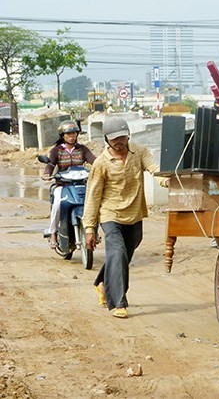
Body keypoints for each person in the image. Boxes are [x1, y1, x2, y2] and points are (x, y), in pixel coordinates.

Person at [82, 117, 167, 319]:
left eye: (122, 137)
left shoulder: (139, 152)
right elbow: (93, 196)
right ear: (106, 140)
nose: (119, 142)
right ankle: (118, 302)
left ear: (128, 135)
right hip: (110, 214)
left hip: (134, 213)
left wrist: (164, 179)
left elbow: (153, 168)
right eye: (114, 139)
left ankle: (102, 283)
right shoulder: (101, 163)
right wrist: (89, 228)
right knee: (118, 253)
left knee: (123, 254)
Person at [42, 120, 96, 250]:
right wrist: (46, 173)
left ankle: (94, 231)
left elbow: (94, 161)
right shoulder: (57, 151)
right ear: (63, 136)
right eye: (69, 134)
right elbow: (50, 165)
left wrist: (103, 167)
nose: (72, 136)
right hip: (63, 185)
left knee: (96, 203)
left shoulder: (82, 149)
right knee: (57, 205)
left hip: (81, 184)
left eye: (74, 133)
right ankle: (53, 232)